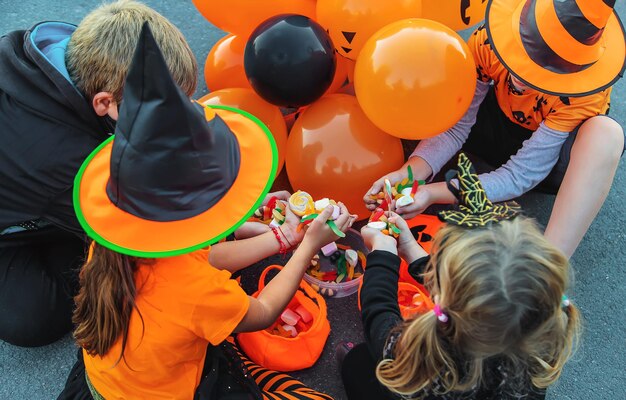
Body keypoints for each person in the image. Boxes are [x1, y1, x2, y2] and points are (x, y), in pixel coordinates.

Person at [58, 24, 349, 399]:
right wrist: (308, 245)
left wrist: (283, 237)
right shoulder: (197, 293)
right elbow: (261, 312)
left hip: (108, 381)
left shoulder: (122, 241)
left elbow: (206, 257)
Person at [0, 0, 198, 347]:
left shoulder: (79, 53)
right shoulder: (57, 156)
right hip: (16, 220)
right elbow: (149, 229)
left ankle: (71, 227)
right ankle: (70, 231)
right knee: (32, 319)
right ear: (104, 103)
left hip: (41, 187)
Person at [364, 0, 625, 258]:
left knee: (606, 134)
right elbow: (454, 127)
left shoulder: (585, 93)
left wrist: (433, 192)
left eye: (540, 74)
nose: (521, 78)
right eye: (520, 59)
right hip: (490, 123)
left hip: (549, 162)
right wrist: (411, 175)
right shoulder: (488, 42)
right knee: (442, 61)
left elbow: (519, 176)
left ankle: (547, 265)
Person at [344, 154, 581, 399]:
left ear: (449, 306)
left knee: (358, 363)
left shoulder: (422, 357)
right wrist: (410, 248)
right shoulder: (537, 347)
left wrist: (382, 256)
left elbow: (379, 315)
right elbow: (469, 288)